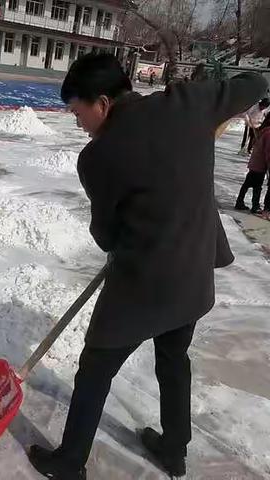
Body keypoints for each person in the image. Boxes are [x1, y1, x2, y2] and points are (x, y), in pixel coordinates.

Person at [27, 53, 267, 480]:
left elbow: (107, 235)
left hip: (143, 282)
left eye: (77, 112)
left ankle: (69, 462)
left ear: (101, 102)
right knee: (174, 358)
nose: (77, 122)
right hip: (194, 271)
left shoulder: (98, 157)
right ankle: (174, 449)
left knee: (96, 368)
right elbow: (254, 85)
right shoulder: (187, 103)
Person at [235, 113, 270, 214]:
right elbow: (268, 152)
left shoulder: (263, 131)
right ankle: (255, 206)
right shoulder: (268, 133)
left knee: (248, 183)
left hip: (255, 161)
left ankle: (239, 201)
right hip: (260, 164)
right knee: (257, 186)